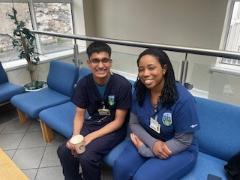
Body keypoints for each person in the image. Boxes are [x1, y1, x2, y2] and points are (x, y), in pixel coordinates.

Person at [114, 48, 200, 180]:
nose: (145, 73)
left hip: (180, 148)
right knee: (121, 167)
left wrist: (146, 150)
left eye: (151, 68)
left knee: (144, 177)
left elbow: (184, 140)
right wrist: (153, 144)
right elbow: (133, 123)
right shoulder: (139, 89)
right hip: (148, 137)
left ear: (164, 69)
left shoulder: (183, 100)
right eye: (141, 69)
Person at [57, 41, 132, 180]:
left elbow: (119, 121)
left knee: (87, 157)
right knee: (64, 150)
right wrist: (76, 137)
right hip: (93, 123)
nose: (101, 65)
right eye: (95, 61)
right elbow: (79, 115)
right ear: (89, 63)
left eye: (105, 60)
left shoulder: (122, 85)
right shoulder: (84, 83)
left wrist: (91, 137)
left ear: (110, 62)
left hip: (114, 129)